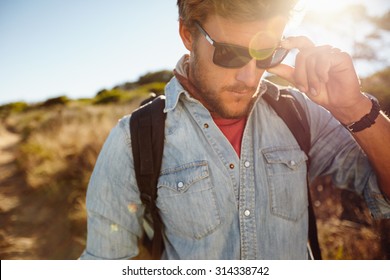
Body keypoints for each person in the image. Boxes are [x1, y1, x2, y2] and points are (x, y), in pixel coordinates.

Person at [80, 0, 390, 260]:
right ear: (188, 35)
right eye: (229, 54)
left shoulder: (298, 113)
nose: (248, 77)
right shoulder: (132, 139)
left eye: (264, 54)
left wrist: (353, 108)